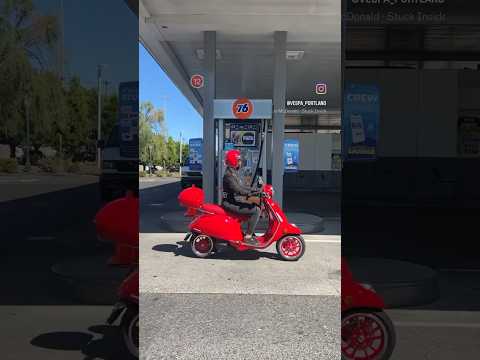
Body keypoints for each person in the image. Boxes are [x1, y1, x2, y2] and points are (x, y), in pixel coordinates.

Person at [222, 149, 261, 245]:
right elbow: (238, 190)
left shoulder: (233, 172)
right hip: (229, 204)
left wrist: (254, 190)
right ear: (233, 161)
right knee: (256, 210)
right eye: (239, 160)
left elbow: (242, 187)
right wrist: (252, 193)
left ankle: (243, 232)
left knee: (251, 205)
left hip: (232, 202)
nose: (240, 162)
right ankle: (248, 236)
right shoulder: (229, 175)